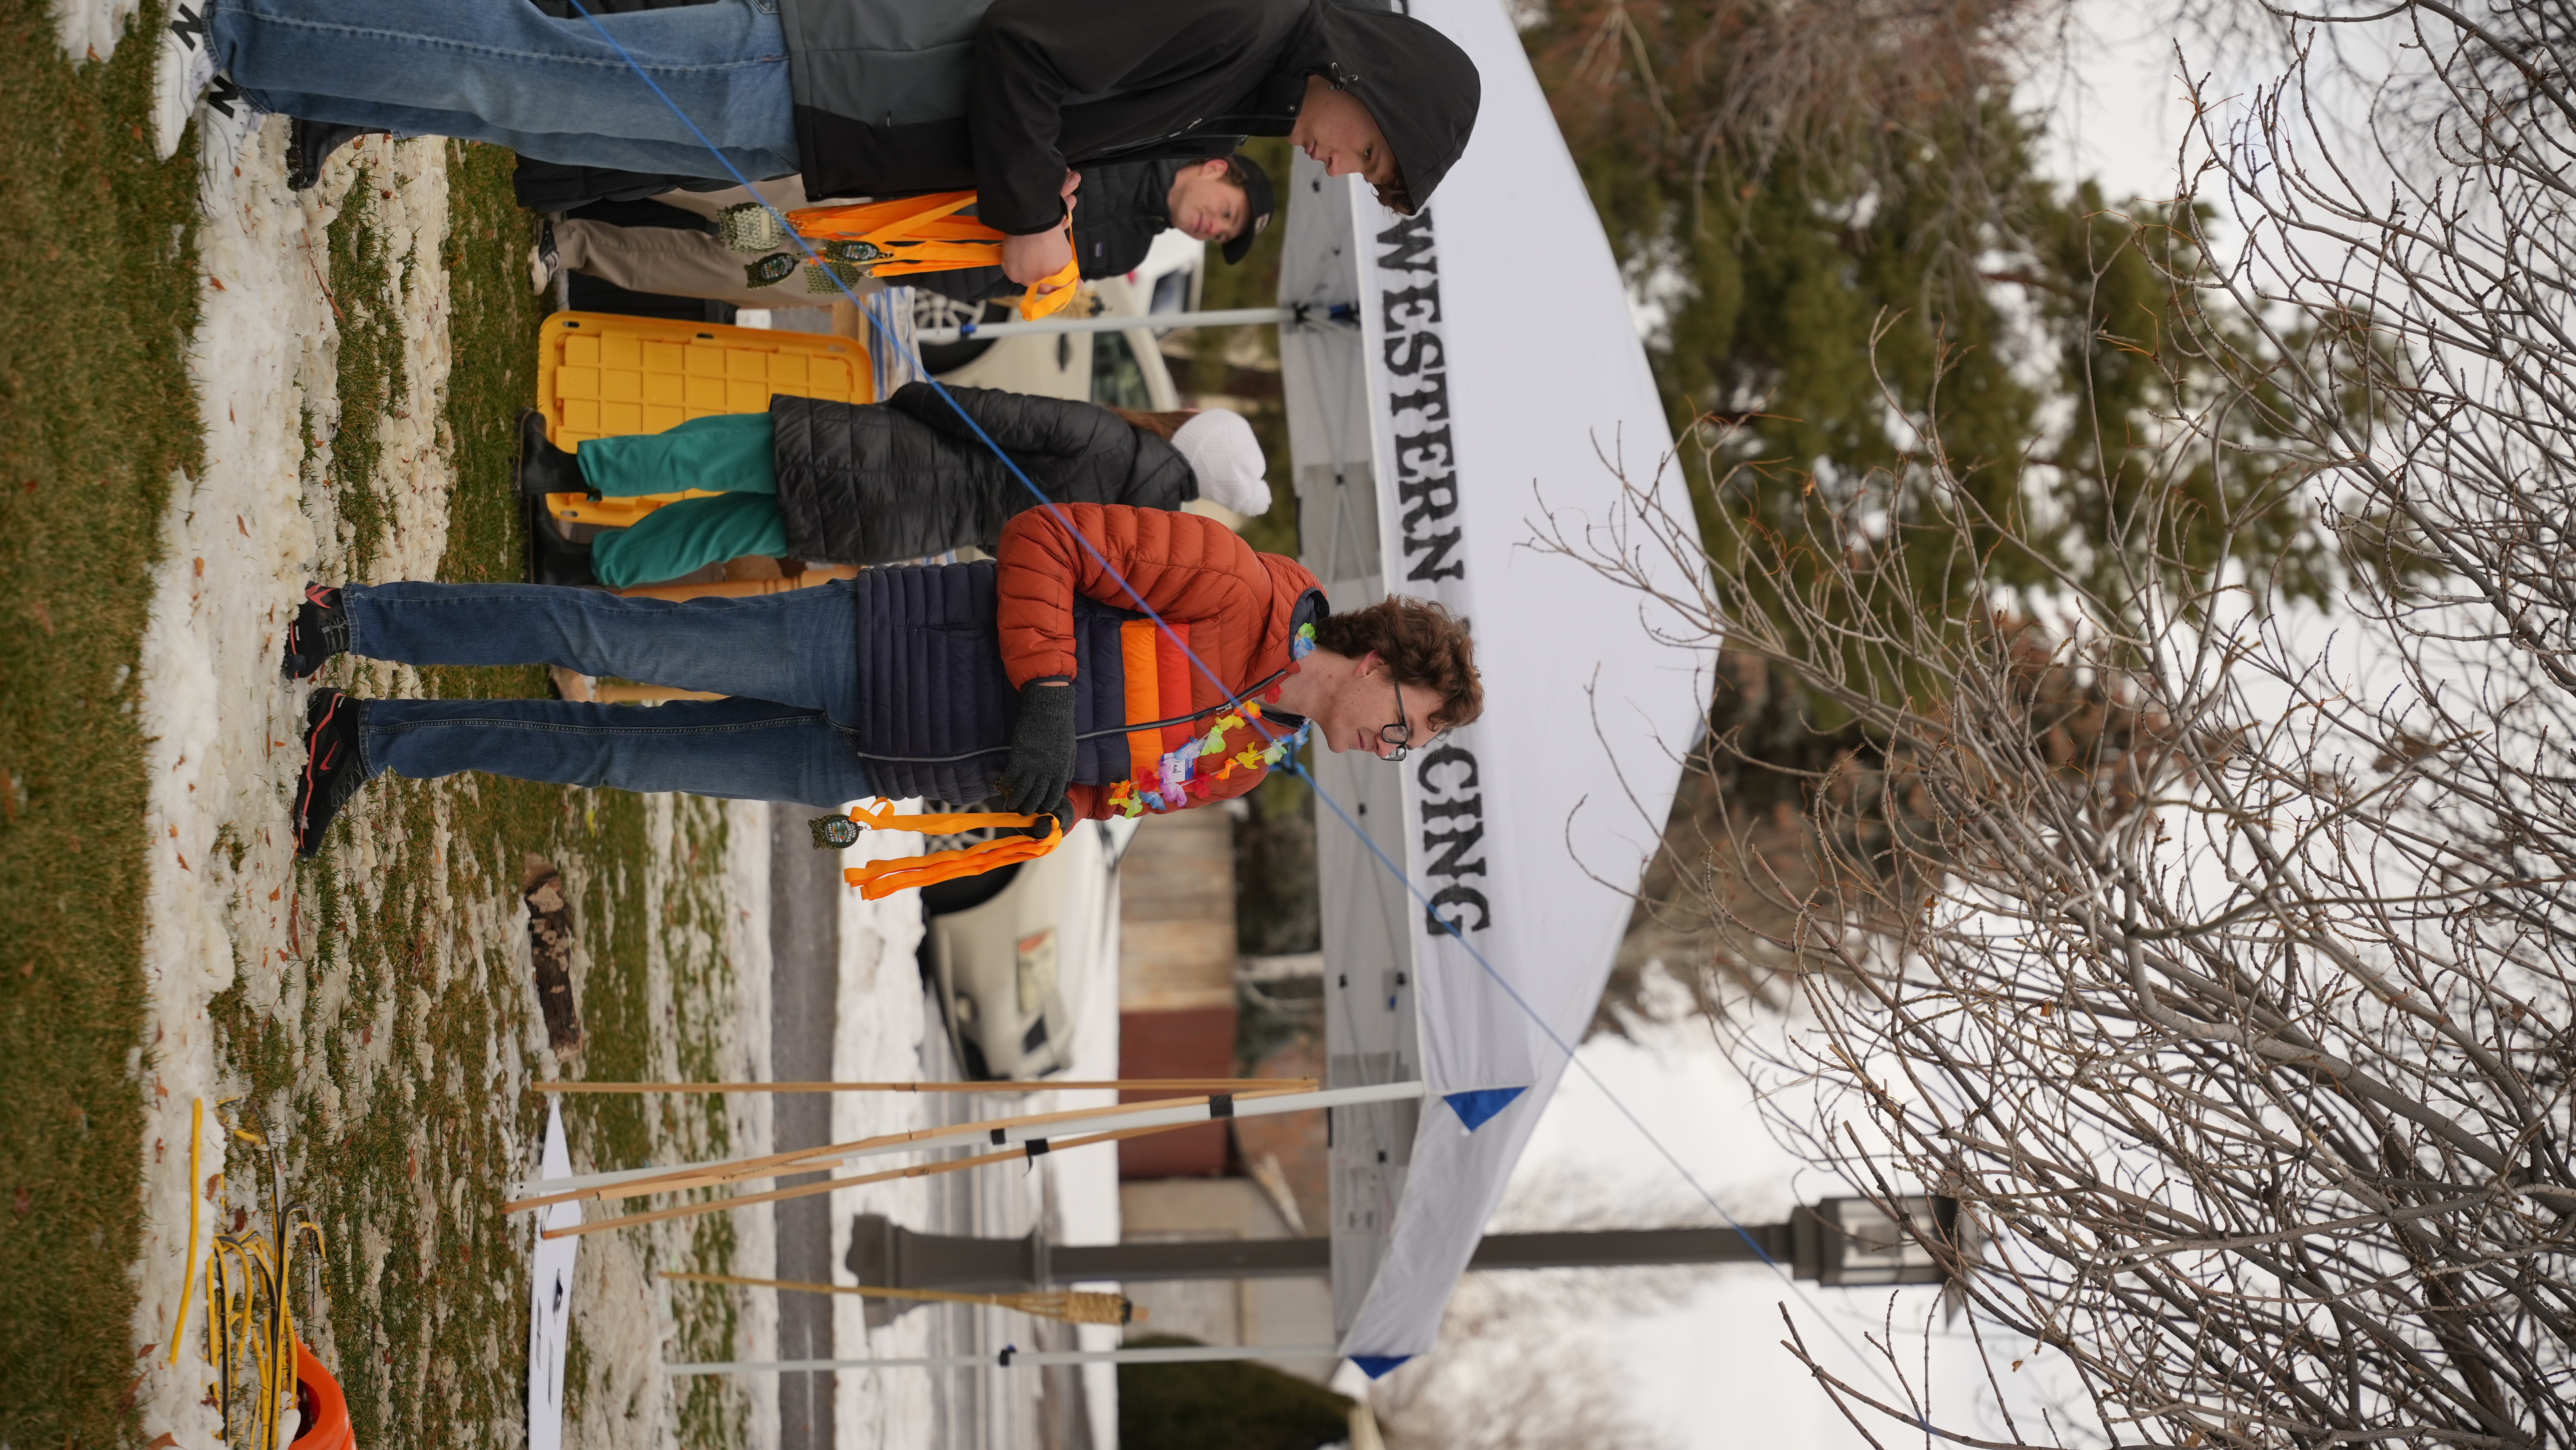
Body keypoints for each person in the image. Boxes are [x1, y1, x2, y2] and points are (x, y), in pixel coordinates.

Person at [276, 504, 1483, 857]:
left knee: (614, 751)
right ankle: (357, 615)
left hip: (887, 761)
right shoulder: (1232, 583)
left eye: (1406, 746)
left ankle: (371, 738)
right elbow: (1045, 539)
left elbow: (1086, 802)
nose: (1391, 747)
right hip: (871, 646)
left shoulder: (1238, 766)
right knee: (614, 643)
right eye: (1406, 726)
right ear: (1376, 664)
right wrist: (1050, 686)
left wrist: (1031, 813)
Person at [160, 0, 1479, 284]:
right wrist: (1030, 214)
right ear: (1376, 85)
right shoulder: (1244, 17)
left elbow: (1052, 88)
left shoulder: (1248, 78)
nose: (1346, 175)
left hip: (847, 111)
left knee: (531, 102)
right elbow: (1023, 45)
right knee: (529, 69)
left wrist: (1048, 171)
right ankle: (239, 29)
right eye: (1373, 158)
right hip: (835, 65)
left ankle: (268, 73)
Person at [521, 388, 1274, 586]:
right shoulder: (1140, 530)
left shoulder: (1113, 440)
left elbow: (993, 415)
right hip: (899, 531)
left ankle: (568, 472)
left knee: (714, 453)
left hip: (891, 455)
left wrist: (911, 398)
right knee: (729, 528)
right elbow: (1012, 549)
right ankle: (587, 565)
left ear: (1184, 429)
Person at [532, 154, 1275, 312]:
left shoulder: (1137, 251)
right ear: (1218, 168)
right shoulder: (1134, 141)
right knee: (729, 196)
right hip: (879, 188)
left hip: (881, 263)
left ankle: (568, 244)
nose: (1213, 227)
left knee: (737, 268)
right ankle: (582, 159)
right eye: (1227, 212)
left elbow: (1005, 286)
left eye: (1222, 235)